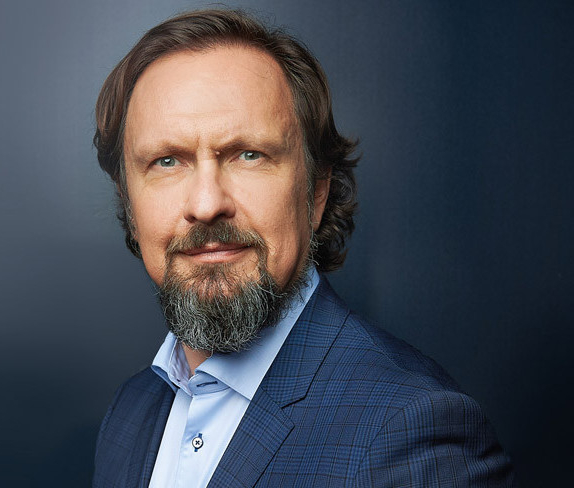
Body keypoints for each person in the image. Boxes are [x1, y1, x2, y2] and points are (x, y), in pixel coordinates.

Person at [92, 8, 516, 487]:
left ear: (316, 193)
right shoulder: (130, 414)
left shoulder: (413, 431)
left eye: (249, 155)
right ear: (129, 204)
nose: (206, 204)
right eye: (167, 161)